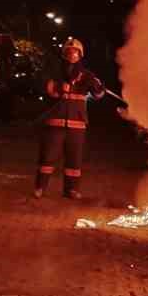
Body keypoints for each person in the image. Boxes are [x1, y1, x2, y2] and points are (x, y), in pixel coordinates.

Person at [34, 37, 105, 200]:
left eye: (75, 52)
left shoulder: (87, 75)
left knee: (74, 159)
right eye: (69, 52)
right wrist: (60, 87)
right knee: (48, 157)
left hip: (77, 123)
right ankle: (40, 187)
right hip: (55, 122)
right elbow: (48, 90)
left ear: (80, 55)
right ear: (64, 54)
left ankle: (71, 190)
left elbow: (99, 95)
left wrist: (99, 87)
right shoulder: (55, 72)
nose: (72, 55)